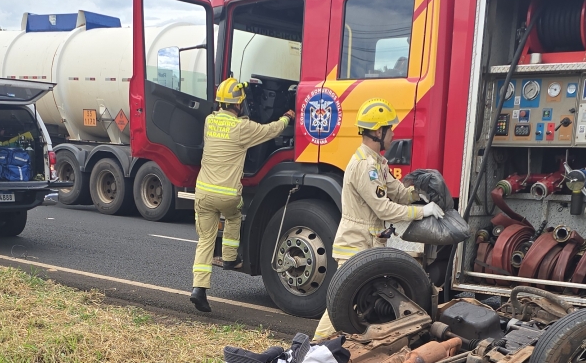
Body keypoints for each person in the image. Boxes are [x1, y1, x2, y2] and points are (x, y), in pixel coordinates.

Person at [313, 99, 444, 339]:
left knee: (357, 305)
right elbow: (384, 209)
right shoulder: (365, 166)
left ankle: (330, 352)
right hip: (355, 245)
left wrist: (421, 192)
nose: (393, 134)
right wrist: (422, 212)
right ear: (377, 131)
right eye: (390, 129)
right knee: (340, 306)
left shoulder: (378, 164)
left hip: (368, 245)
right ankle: (313, 349)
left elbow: (401, 194)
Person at [190, 78, 295, 313]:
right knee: (234, 217)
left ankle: (199, 289)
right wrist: (287, 117)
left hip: (203, 193)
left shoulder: (209, 122)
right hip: (227, 196)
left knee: (205, 240)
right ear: (238, 105)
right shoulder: (242, 128)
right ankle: (229, 257)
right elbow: (271, 130)